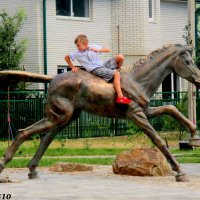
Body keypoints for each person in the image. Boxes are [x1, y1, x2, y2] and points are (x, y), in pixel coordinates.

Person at [64, 34, 132, 104]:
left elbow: (108, 50)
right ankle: (120, 97)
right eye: (77, 46)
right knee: (116, 74)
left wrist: (98, 50)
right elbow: (66, 57)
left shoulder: (93, 47)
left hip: (103, 65)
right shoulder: (76, 53)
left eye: (78, 45)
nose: (77, 47)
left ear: (85, 44)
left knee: (120, 57)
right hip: (95, 69)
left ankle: (116, 70)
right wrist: (72, 67)